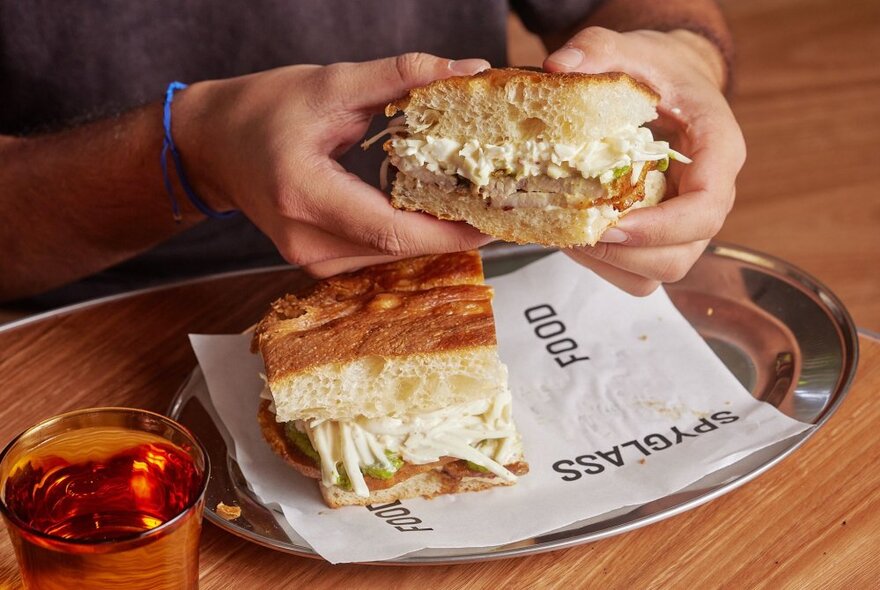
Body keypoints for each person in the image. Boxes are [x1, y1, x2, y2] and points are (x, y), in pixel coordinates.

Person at [0, 0, 745, 309]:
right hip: (89, 314)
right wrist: (190, 151)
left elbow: (657, 10)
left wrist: (681, 58)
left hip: (483, 281)